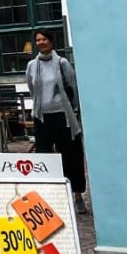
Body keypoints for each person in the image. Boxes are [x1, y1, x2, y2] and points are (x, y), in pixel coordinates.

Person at [26, 29, 88, 215]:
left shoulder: (62, 63)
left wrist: (74, 110)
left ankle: (77, 195)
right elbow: (31, 87)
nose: (41, 42)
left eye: (44, 39)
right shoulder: (31, 65)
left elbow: (73, 87)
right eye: (38, 40)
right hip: (42, 117)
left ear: (51, 42)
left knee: (71, 156)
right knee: (45, 157)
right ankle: (51, 197)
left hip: (63, 116)